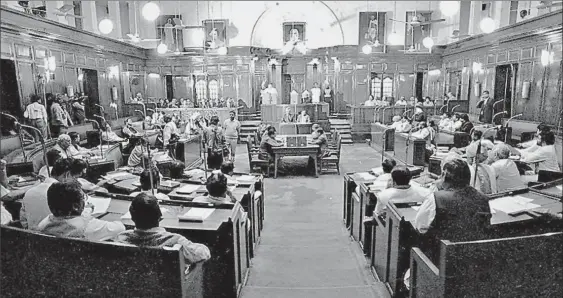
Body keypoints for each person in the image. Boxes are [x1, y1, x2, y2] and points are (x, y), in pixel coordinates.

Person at [414, 158, 492, 263]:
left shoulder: (437, 198)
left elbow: (420, 226)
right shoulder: (483, 198)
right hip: (473, 258)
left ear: (445, 177)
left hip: (441, 259)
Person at [116, 193, 211, 264]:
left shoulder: (121, 238)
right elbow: (203, 254)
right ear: (160, 217)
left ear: (132, 217)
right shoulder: (176, 241)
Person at [36, 181, 125, 241]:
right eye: (83, 198)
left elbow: (72, 219)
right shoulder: (89, 227)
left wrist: (87, 210)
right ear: (75, 206)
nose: (84, 200)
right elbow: (120, 228)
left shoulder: (42, 224)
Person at [20, 158, 75, 229]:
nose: (74, 180)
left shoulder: (29, 192)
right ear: (66, 174)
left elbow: (24, 221)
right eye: (74, 177)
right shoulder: (65, 193)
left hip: (33, 237)